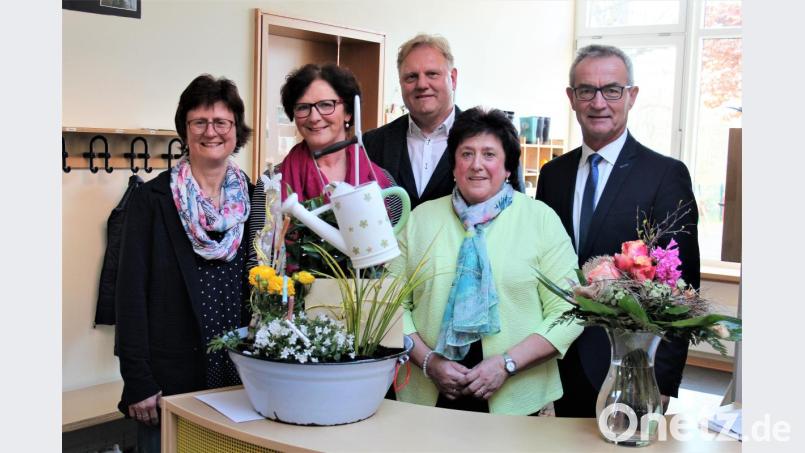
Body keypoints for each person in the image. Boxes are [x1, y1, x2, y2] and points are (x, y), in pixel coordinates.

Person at [536, 44, 700, 418]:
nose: (599, 102)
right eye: (586, 90)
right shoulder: (553, 175)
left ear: (632, 96)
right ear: (571, 98)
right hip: (560, 360)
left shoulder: (664, 176)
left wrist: (661, 381)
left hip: (630, 366)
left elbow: (682, 287)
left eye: (612, 90)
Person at [392, 107, 582, 415]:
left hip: (519, 397)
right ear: (453, 165)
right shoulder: (419, 219)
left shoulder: (540, 220)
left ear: (508, 167)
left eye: (489, 155)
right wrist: (428, 361)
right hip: (428, 394)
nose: (476, 165)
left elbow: (570, 311)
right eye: (466, 154)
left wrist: (507, 364)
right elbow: (391, 305)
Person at [115, 74, 254, 452]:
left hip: (240, 376)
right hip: (169, 379)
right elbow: (129, 294)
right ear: (185, 130)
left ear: (235, 130)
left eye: (222, 122)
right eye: (199, 122)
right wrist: (138, 379)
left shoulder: (255, 199)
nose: (212, 132)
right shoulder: (153, 200)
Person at [363, 33, 459, 209]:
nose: (422, 84)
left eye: (432, 74)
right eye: (411, 77)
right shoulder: (371, 144)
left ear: (452, 79)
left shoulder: (490, 141)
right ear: (400, 82)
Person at [277, 63, 392, 201]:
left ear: (348, 112)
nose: (314, 118)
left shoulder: (381, 180)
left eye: (326, 105)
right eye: (303, 107)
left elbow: (400, 222)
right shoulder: (272, 182)